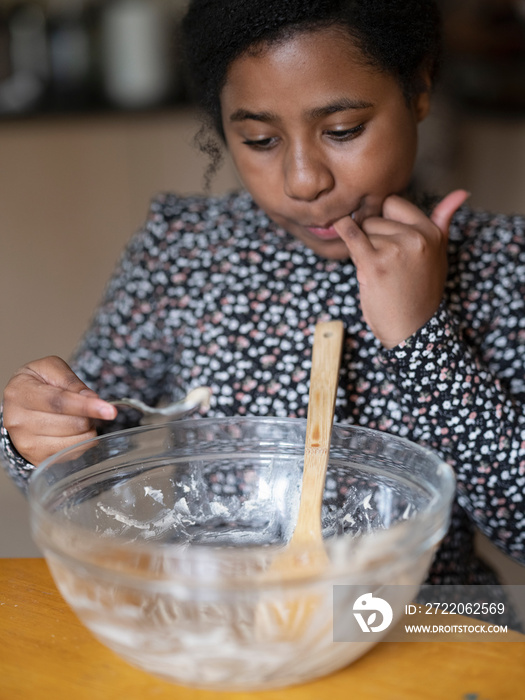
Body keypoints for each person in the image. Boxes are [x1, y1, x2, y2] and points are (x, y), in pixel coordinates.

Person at [1, 0, 524, 590]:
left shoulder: (500, 265)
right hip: (224, 620)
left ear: (420, 89)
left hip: (427, 624)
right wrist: (41, 433)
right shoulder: (183, 250)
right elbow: (82, 470)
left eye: (343, 130)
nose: (304, 180)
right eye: (259, 139)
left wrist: (421, 340)